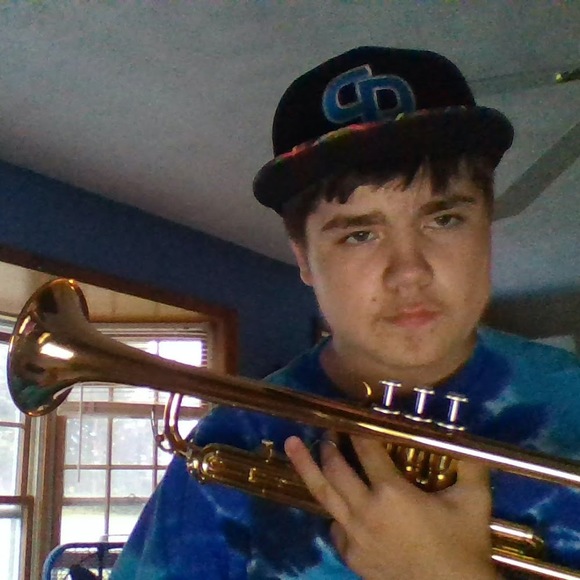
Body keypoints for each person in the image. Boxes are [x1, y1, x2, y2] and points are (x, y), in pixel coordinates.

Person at [112, 46, 580, 579]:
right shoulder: (229, 442)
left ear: (487, 228)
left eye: (444, 219)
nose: (409, 272)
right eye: (359, 234)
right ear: (304, 260)